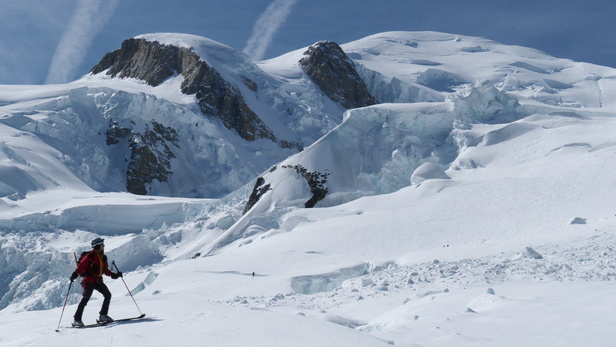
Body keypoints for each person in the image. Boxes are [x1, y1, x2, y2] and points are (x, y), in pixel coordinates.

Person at [70, 237, 122, 327]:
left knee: (107, 295)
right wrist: (75, 274)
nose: (104, 246)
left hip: (97, 280)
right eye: (102, 245)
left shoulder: (103, 257)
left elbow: (105, 270)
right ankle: (77, 319)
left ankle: (103, 315)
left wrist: (114, 275)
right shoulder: (89, 256)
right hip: (89, 281)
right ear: (97, 246)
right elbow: (81, 266)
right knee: (85, 300)